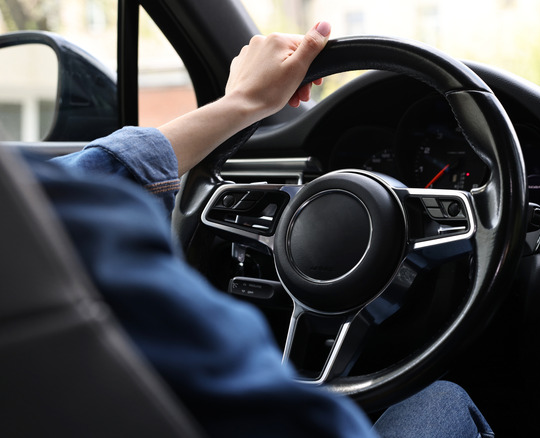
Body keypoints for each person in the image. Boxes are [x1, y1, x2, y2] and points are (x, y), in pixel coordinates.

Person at [21, 21, 494, 438]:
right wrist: (241, 103)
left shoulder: (29, 228)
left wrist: (242, 104)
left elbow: (66, 185)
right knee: (437, 400)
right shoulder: (75, 222)